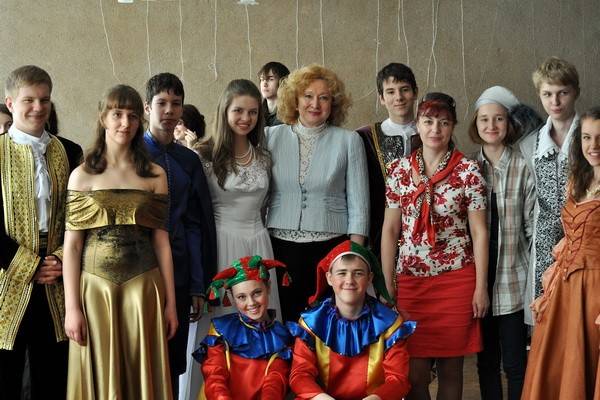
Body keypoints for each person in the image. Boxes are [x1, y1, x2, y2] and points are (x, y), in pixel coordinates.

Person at [63, 84, 177, 399]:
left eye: (132, 116)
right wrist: (72, 308)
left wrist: (171, 304)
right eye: (117, 114)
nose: (125, 123)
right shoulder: (82, 175)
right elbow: (72, 247)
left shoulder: (154, 175)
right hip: (95, 290)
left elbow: (162, 242)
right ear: (103, 118)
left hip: (144, 289)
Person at [382, 93, 489, 400]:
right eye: (428, 121)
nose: (435, 129)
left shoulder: (468, 171)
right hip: (411, 282)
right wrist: (387, 284)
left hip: (456, 280)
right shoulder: (399, 170)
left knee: (451, 370)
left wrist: (480, 287)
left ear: (453, 126)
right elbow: (390, 230)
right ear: (417, 124)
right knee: (414, 374)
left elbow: (479, 232)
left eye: (444, 123)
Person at [182, 79, 281, 400]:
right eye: (238, 110)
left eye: (253, 112)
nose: (246, 118)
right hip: (221, 245)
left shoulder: (264, 157)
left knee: (259, 322)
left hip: (258, 243)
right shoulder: (204, 155)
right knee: (220, 326)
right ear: (224, 110)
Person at [0, 65, 82, 399]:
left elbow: (80, 217)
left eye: (44, 100)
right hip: (7, 276)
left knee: (54, 373)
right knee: (6, 373)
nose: (38, 107)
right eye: (29, 100)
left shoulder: (71, 151)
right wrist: (30, 266)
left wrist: (61, 259)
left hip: (58, 276)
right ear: (10, 103)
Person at [266, 64, 369, 322]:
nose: (315, 104)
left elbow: (359, 205)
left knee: (327, 323)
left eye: (324, 98)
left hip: (331, 249)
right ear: (295, 100)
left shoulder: (349, 140)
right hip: (280, 248)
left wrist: (355, 256)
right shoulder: (269, 137)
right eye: (308, 96)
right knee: (287, 322)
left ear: (333, 104)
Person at [142, 72, 217, 397]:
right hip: (139, 271)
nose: (169, 110)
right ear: (147, 107)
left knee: (173, 360)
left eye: (176, 103)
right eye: (162, 103)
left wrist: (199, 284)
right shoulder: (132, 154)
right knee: (140, 357)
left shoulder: (188, 160)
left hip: (181, 270)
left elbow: (197, 223)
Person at [521, 107, 600, 400]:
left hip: (595, 291)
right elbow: (567, 239)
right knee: (558, 367)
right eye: (587, 138)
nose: (593, 145)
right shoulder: (578, 180)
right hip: (565, 289)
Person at [467, 86, 535, 400]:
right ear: (476, 124)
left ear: (508, 123)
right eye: (484, 119)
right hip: (478, 284)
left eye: (498, 119)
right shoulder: (468, 168)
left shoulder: (523, 166)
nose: (491, 125)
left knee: (516, 363)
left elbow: (531, 227)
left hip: (513, 280)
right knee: (486, 363)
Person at [289, 240, 415, 400]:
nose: (349, 280)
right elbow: (300, 375)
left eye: (358, 273)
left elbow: (398, 380)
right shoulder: (311, 322)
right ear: (329, 278)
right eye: (342, 273)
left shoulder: (390, 324)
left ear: (369, 278)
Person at [518, 57, 580, 325]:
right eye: (547, 94)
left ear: (575, 92)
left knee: (581, 314)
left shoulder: (591, 137)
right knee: (546, 318)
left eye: (562, 93)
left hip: (584, 239)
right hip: (544, 243)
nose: (555, 101)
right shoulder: (530, 144)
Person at [193, 255, 293, 400]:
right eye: (241, 297)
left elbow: (275, 382)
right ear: (232, 298)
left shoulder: (282, 336)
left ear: (268, 287)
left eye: (257, 293)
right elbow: (215, 375)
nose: (251, 303)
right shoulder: (221, 329)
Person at [356, 62, 420, 258]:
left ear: (415, 93)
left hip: (425, 232)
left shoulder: (432, 133)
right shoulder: (365, 137)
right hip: (378, 232)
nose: (398, 97)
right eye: (390, 92)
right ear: (382, 98)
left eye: (404, 89)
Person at [258, 61, 290, 127]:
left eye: (271, 79)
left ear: (283, 82)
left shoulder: (291, 112)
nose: (264, 84)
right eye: (262, 79)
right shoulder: (257, 112)